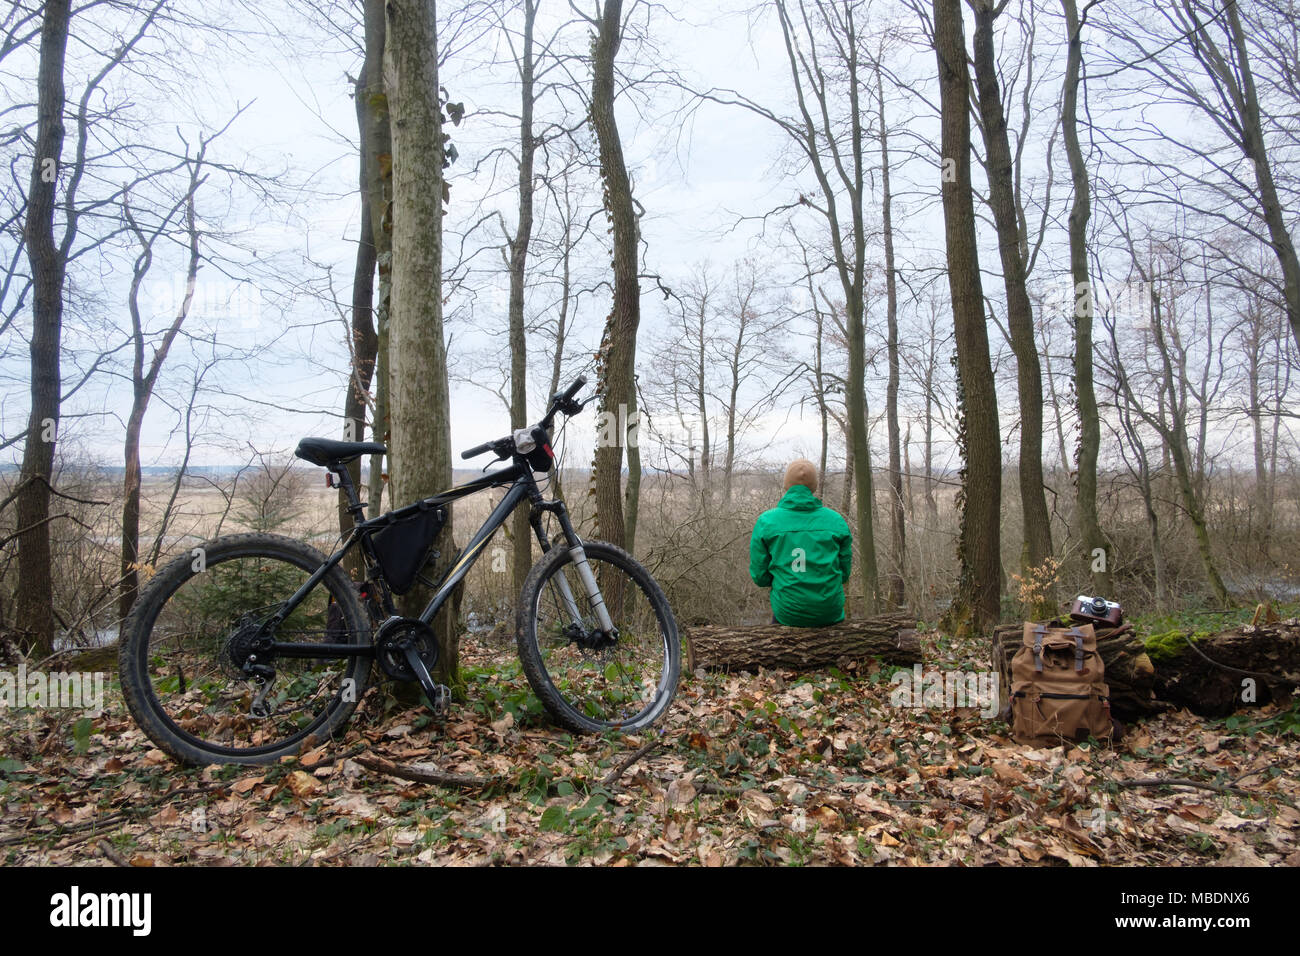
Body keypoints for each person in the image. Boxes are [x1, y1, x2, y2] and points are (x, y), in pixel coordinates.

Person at [749, 459, 852, 626]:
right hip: (829, 611)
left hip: (788, 612)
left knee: (781, 622)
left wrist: (785, 581)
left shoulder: (767, 522)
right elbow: (844, 574)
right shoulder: (836, 521)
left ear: (786, 486)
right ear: (814, 487)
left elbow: (760, 578)